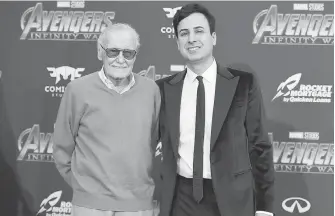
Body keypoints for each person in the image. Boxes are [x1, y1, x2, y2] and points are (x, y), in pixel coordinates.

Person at [156, 3, 274, 216]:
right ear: (177, 43)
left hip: (233, 200)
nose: (191, 38)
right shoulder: (163, 89)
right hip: (178, 200)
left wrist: (264, 207)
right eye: (184, 33)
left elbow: (260, 147)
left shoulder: (243, 84)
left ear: (213, 38)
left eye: (199, 31)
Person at [53, 23, 161, 216]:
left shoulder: (151, 90)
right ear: (100, 52)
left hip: (139, 206)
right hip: (89, 206)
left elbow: (155, 143)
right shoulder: (77, 90)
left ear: (135, 55)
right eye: (113, 52)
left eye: (128, 53)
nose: (120, 59)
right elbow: (62, 148)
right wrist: (85, 188)